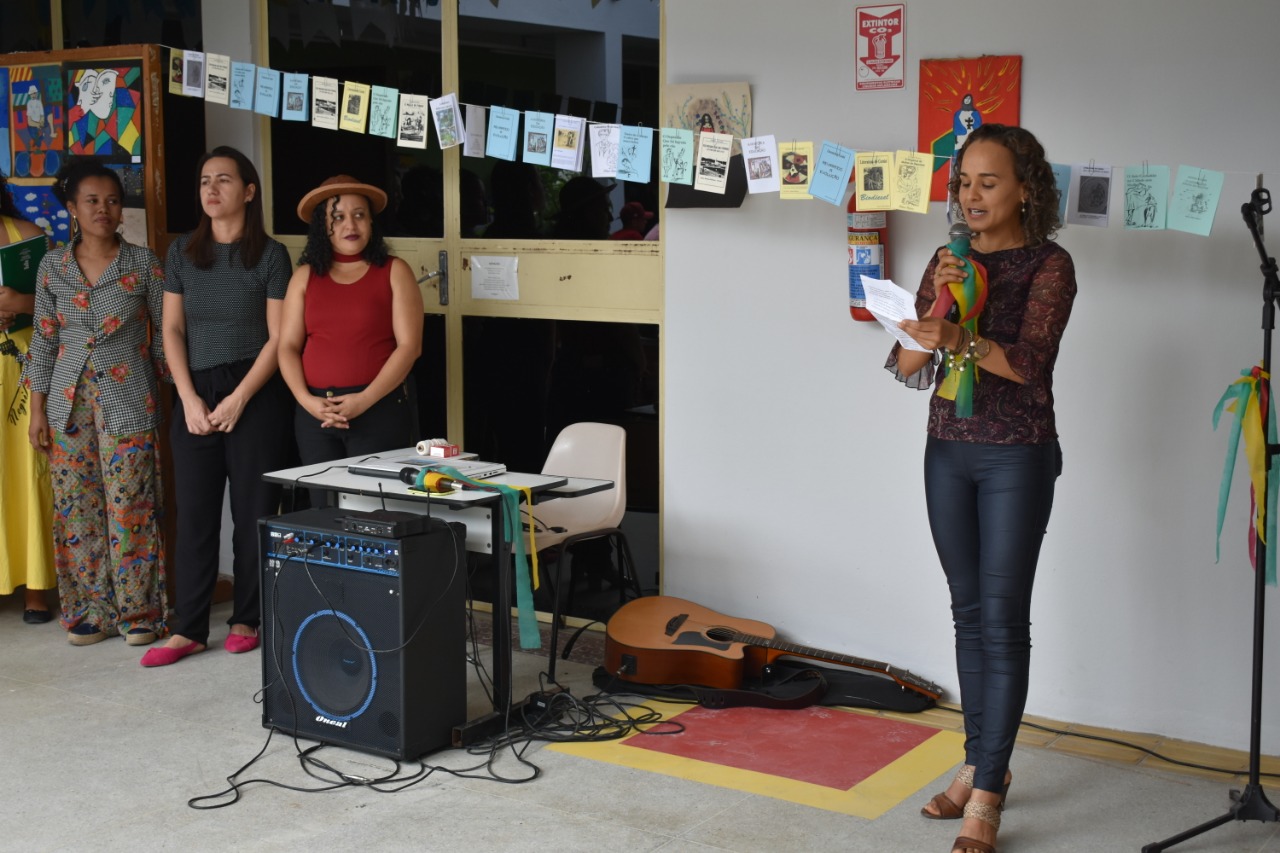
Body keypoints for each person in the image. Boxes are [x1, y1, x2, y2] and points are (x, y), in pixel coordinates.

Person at [885, 123, 1076, 853]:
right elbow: (907, 365)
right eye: (963, 182)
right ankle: (978, 762)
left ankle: (988, 793)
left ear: (1025, 189)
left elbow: (1030, 363)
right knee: (967, 614)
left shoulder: (1050, 264)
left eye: (988, 182)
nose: (970, 195)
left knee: (1002, 621)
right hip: (948, 449)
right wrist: (934, 309)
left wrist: (963, 337)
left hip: (1016, 455)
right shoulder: (948, 260)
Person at [142, 147, 293, 667]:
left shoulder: (271, 255)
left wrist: (240, 397)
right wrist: (186, 396)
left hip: (255, 388)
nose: (211, 189)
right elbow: (171, 329)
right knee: (195, 512)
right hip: (195, 389)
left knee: (254, 510)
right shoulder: (182, 252)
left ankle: (247, 617)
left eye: (224, 180)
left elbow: (279, 337)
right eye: (205, 180)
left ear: (248, 191)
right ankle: (187, 628)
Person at [23, 160, 169, 647]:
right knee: (77, 508)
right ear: (72, 208)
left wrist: (180, 395)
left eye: (112, 201)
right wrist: (38, 410)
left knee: (131, 504)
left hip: (128, 397)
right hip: (67, 404)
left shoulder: (144, 263)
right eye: (92, 201)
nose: (103, 209)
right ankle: (92, 610)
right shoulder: (53, 267)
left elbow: (165, 336)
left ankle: (140, 612)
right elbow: (44, 341)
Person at [277, 175, 423, 500]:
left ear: (371, 222)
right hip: (317, 416)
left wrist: (364, 400)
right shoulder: (305, 276)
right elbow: (287, 346)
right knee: (323, 509)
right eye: (338, 217)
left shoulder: (394, 270)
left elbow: (410, 347)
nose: (350, 225)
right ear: (322, 226)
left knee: (377, 508)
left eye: (359, 215)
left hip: (379, 409)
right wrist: (307, 401)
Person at [0, 175, 55, 625]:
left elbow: (63, 304)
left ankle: (36, 586)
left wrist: (21, 302)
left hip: (24, 367)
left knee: (29, 468)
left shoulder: (28, 236)